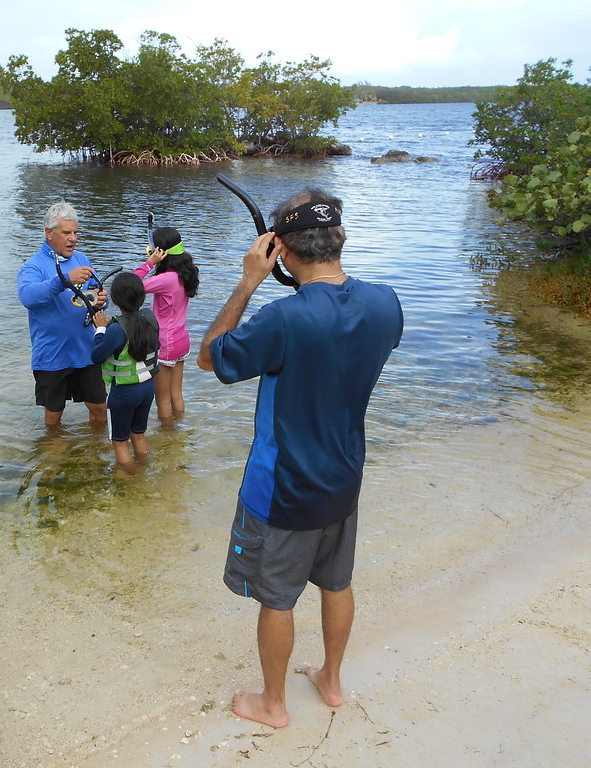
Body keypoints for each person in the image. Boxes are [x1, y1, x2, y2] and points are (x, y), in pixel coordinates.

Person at [197, 188, 403, 728]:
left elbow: (208, 357)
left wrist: (247, 282)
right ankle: (331, 681)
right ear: (339, 238)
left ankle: (273, 705)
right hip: (344, 476)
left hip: (283, 487)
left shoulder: (282, 318)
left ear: (281, 250)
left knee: (277, 598)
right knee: (337, 581)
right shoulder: (386, 303)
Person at [17, 201, 108, 427]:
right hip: (52, 356)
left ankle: (99, 452)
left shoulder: (82, 259)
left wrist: (102, 301)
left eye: (75, 232)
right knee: (54, 416)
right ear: (49, 233)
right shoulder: (33, 266)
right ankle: (55, 458)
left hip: (86, 352)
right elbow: (27, 297)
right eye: (66, 232)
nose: (73, 238)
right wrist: (63, 280)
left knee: (99, 409)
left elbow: (96, 297)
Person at [91, 272, 161, 472]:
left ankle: (133, 478)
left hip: (123, 393)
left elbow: (96, 356)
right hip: (147, 387)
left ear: (115, 299)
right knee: (139, 434)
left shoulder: (116, 329)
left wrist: (100, 328)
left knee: (120, 442)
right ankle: (144, 469)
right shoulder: (149, 317)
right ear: (142, 296)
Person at [133, 227, 199, 421]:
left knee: (162, 399)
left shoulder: (166, 279)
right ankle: (178, 432)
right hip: (181, 339)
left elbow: (131, 285)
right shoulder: (185, 273)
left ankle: (167, 438)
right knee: (176, 394)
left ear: (160, 252)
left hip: (165, 343)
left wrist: (149, 263)